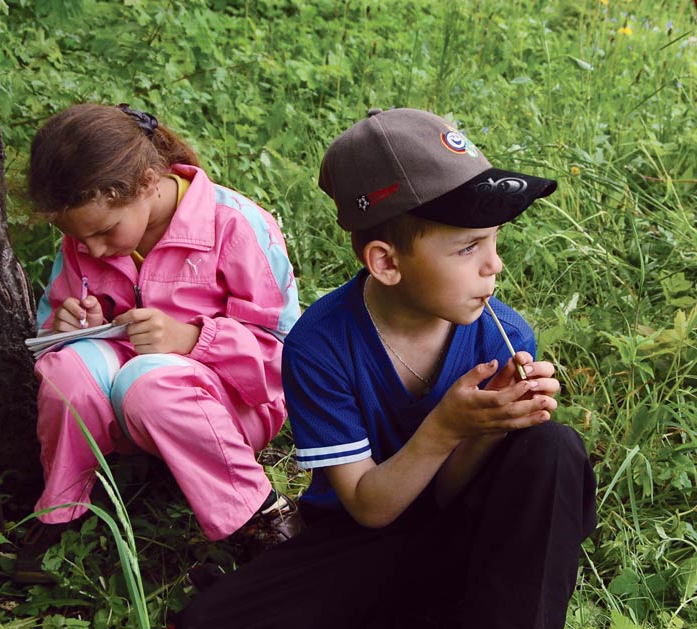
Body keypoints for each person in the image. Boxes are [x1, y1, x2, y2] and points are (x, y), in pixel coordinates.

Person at [178, 108, 597, 629]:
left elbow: (450, 494)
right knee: (210, 621)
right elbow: (369, 508)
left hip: (469, 526)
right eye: (469, 247)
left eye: (494, 240)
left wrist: (492, 427)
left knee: (552, 447)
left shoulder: (502, 334)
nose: (495, 265)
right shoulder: (320, 345)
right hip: (366, 536)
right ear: (387, 262)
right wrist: (445, 426)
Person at [13, 103, 303, 584]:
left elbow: (285, 355)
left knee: (150, 385)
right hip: (129, 407)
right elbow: (50, 339)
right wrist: (70, 327)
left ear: (147, 182)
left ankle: (260, 514)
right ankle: (66, 508)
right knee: (69, 372)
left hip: (233, 408)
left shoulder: (234, 227)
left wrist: (193, 339)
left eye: (105, 232)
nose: (96, 251)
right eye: (81, 240)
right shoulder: (86, 240)